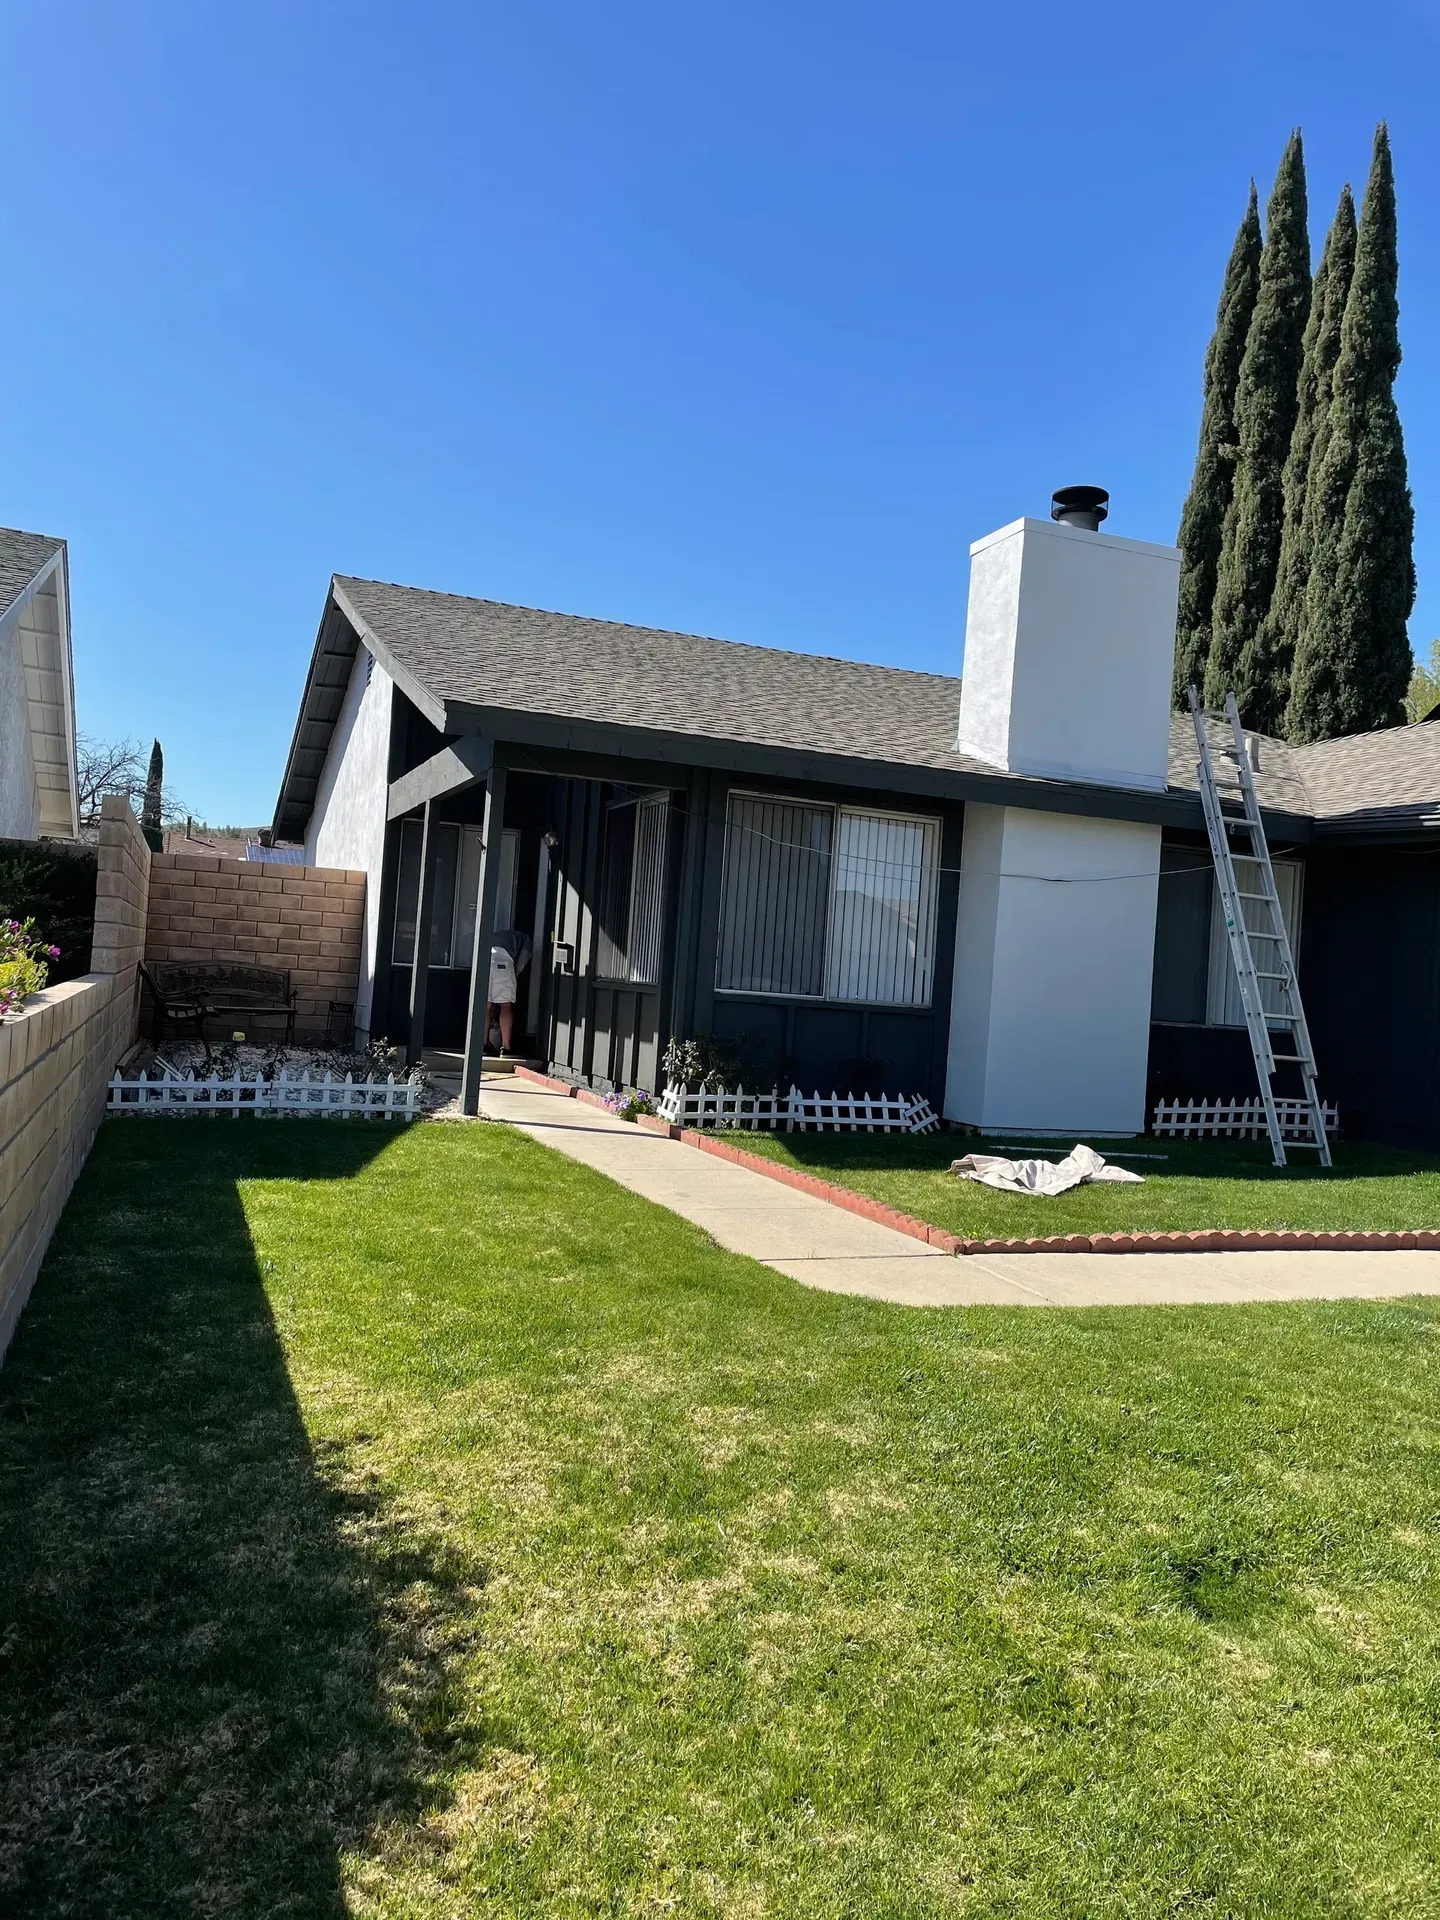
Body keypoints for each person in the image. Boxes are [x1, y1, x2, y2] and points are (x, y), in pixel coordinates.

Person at [486, 927, 532, 1054]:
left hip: (487, 962)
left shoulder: (494, 935)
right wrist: (514, 974)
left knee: (487, 1005)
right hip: (505, 964)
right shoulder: (526, 939)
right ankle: (506, 1047)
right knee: (506, 1005)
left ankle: (484, 1044)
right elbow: (523, 959)